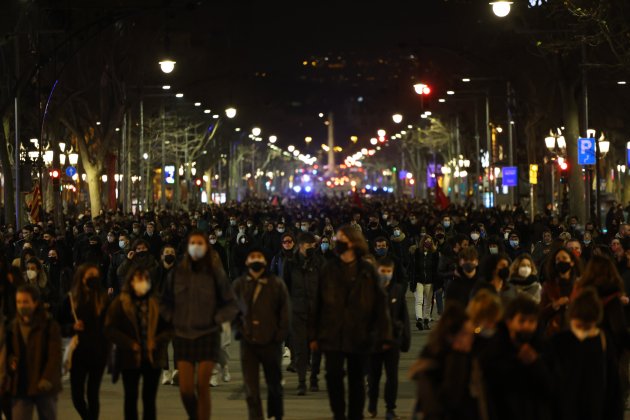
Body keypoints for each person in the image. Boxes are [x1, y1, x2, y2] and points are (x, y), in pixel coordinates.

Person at [310, 225, 392, 420]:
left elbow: (380, 304)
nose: (338, 242)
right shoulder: (328, 268)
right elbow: (317, 303)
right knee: (333, 377)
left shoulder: (367, 270)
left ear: (354, 242)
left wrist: (384, 334)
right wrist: (313, 334)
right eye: (337, 239)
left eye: (342, 239)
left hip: (359, 333)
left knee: (357, 379)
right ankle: (338, 414)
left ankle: (356, 415)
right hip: (333, 333)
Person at [161, 231, 238, 420]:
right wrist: (172, 319)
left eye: (200, 243)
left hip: (207, 334)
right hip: (183, 336)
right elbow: (165, 302)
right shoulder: (177, 274)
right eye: (193, 243)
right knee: (186, 390)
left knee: (202, 387)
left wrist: (217, 319)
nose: (196, 246)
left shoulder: (215, 274)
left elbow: (231, 303)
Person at [105, 266, 171, 420]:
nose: (141, 283)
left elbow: (170, 328)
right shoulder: (121, 302)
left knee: (149, 399)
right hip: (129, 357)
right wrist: (129, 343)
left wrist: (156, 341)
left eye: (144, 279)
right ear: (131, 281)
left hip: (153, 357)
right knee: (130, 397)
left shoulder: (157, 302)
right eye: (138, 279)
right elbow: (109, 328)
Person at [547, 288, 622, 420]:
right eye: (579, 325)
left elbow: (613, 387)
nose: (582, 332)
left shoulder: (603, 341)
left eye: (588, 327)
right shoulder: (558, 342)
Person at [233, 247, 290, 420]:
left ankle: (276, 414)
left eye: (259, 257)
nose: (256, 259)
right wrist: (239, 330)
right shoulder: (239, 285)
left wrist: (280, 335)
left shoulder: (276, 284)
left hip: (271, 342)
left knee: (274, 386)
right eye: (252, 256)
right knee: (251, 390)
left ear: (265, 262)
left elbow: (285, 311)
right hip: (248, 343)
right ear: (246, 261)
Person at [481, 295, 552, 420]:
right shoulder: (494, 349)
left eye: (531, 321)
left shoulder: (543, 349)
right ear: (509, 321)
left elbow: (552, 387)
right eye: (522, 321)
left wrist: (536, 363)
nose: (527, 326)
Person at [411, 302, 480, 420]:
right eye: (465, 334)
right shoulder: (433, 364)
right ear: (451, 336)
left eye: (472, 334)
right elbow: (433, 404)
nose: (470, 339)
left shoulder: (469, 358)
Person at [59, 264, 109, 420]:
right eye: (90, 275)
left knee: (93, 395)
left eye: (96, 275)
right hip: (78, 353)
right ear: (81, 277)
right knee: (77, 397)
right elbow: (58, 324)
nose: (94, 279)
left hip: (98, 352)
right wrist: (71, 327)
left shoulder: (103, 299)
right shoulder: (70, 299)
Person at [7, 284, 62, 420]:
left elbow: (54, 355)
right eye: (18, 302)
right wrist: (11, 361)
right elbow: (9, 352)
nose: (21, 306)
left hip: (43, 384)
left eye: (25, 302)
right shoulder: (13, 326)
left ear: (35, 302)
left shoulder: (49, 325)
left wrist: (47, 378)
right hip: (21, 384)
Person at [367, 258, 410, 420]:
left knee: (392, 377)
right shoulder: (370, 289)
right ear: (377, 271)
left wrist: (405, 339)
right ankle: (372, 403)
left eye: (389, 271)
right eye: (383, 271)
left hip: (393, 340)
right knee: (374, 376)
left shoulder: (397, 290)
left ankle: (390, 408)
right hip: (374, 341)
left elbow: (403, 315)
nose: (386, 275)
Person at [283, 232, 324, 395]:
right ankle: (301, 382)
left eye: (314, 245)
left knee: (316, 347)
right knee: (300, 347)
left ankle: (314, 377)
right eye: (309, 245)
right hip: (297, 311)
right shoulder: (290, 264)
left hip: (317, 311)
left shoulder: (319, 262)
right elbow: (285, 287)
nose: (312, 248)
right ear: (300, 246)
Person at [540, 248, 579, 337]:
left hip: (576, 332)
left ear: (572, 262)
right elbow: (541, 313)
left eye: (564, 258)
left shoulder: (579, 285)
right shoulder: (548, 286)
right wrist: (555, 305)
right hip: (554, 331)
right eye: (558, 259)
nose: (561, 261)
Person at [410, 234, 439, 330]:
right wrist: (412, 282)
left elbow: (436, 269)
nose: (428, 243)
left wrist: (437, 282)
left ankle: (426, 320)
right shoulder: (417, 252)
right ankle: (419, 319)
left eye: (430, 241)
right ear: (423, 242)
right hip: (419, 280)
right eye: (426, 241)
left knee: (428, 302)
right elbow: (413, 268)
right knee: (419, 300)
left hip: (430, 281)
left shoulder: (434, 253)